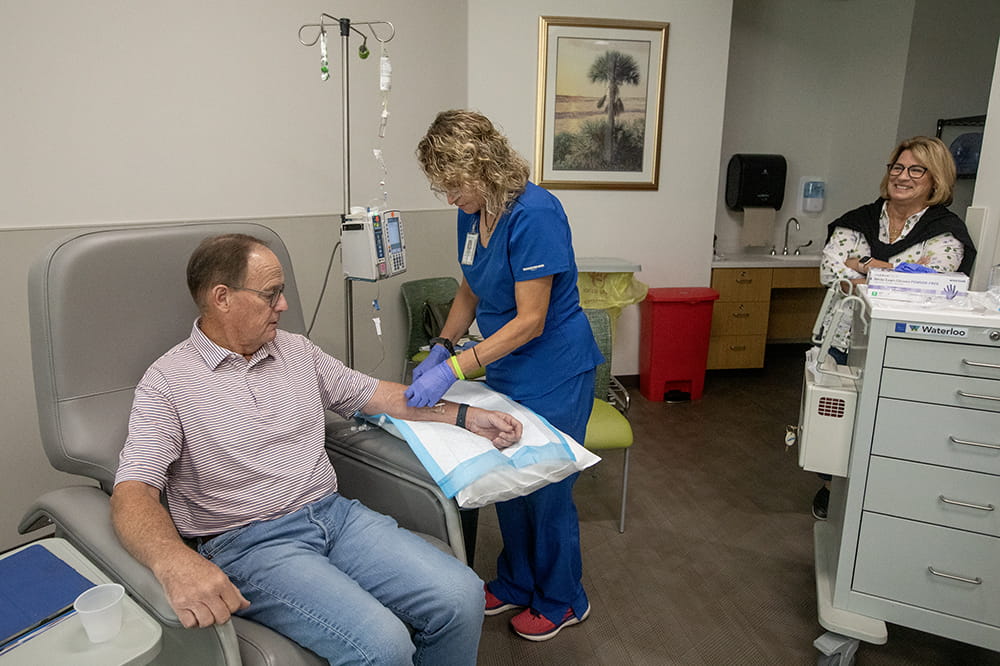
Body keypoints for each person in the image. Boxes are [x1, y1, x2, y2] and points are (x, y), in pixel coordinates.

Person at [111, 233, 524, 664]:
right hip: (251, 545)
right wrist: (174, 562)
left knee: (462, 597)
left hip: (335, 516)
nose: (284, 305)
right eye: (271, 294)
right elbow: (133, 493)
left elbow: (377, 395)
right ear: (222, 298)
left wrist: (464, 415)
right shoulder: (167, 382)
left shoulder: (296, 351)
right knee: (383, 646)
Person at [412, 110, 604, 642]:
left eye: (454, 185)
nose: (450, 198)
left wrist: (453, 369)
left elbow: (531, 320)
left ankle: (564, 598)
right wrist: (443, 345)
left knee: (547, 487)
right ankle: (517, 580)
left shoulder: (536, 213)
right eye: (443, 187)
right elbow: (472, 286)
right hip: (507, 367)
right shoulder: (473, 214)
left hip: (555, 369)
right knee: (510, 479)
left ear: (485, 166)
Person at [813, 135, 977, 519]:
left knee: (888, 422)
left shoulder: (945, 229)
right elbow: (829, 269)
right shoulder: (859, 219)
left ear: (935, 180)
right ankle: (829, 488)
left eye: (915, 170)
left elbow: (931, 284)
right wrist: (896, 274)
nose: (902, 177)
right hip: (841, 336)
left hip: (903, 346)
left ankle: (877, 498)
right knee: (835, 416)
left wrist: (865, 265)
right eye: (897, 168)